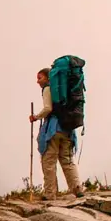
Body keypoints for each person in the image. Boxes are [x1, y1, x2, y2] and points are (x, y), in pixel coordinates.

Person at [29, 67, 83, 200]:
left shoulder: (48, 89)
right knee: (67, 161)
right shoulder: (65, 90)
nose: (37, 81)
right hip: (68, 128)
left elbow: (48, 108)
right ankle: (77, 189)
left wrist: (36, 117)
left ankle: (50, 193)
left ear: (48, 78)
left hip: (53, 130)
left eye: (40, 78)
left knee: (49, 161)